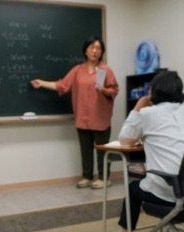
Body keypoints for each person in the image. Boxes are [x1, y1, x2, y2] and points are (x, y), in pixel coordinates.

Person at [116, 71, 184, 232]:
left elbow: (124, 139)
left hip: (170, 190)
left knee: (133, 188)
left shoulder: (148, 114)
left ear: (152, 91)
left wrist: (139, 105)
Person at [30, 36, 119, 189]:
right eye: (92, 47)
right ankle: (87, 176)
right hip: (82, 118)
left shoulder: (105, 70)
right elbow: (62, 85)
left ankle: (105, 178)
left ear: (102, 52)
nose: (95, 51)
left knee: (102, 151)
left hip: (100, 118)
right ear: (85, 50)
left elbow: (114, 90)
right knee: (85, 151)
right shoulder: (78, 70)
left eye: (98, 48)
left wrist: (103, 90)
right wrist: (42, 83)